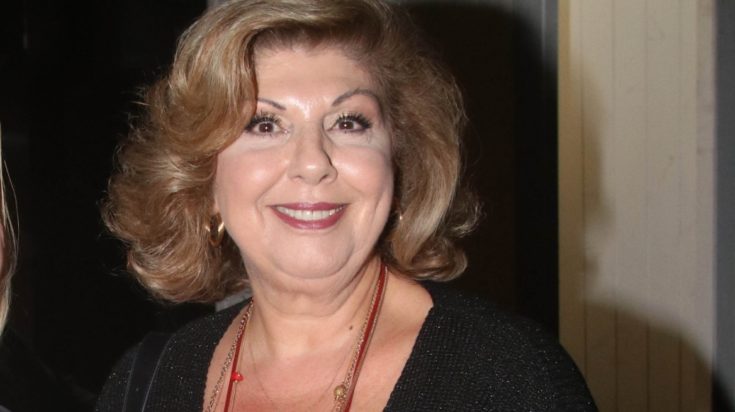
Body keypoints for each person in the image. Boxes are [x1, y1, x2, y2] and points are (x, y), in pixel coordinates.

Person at [96, 0, 597, 410]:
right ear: (201, 177)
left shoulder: (506, 377)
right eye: (264, 125)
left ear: (400, 160)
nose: (313, 163)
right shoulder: (148, 383)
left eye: (348, 122)